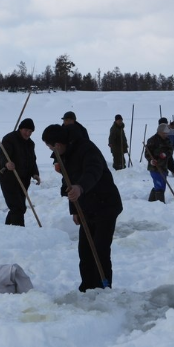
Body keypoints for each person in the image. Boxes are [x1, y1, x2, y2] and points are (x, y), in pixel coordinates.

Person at [42, 124, 122, 292]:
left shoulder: (87, 149)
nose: (50, 150)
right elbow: (68, 182)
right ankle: (87, 287)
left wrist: (80, 187)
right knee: (85, 251)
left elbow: (93, 171)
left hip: (105, 204)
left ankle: (103, 287)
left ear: (57, 144)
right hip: (85, 206)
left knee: (100, 249)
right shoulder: (63, 155)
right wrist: (75, 209)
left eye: (50, 146)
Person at [0, 118, 40, 226]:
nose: (28, 133)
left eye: (30, 132)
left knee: (19, 207)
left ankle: (7, 229)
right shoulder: (9, 139)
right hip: (9, 178)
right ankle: (20, 232)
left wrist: (35, 173)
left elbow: (32, 160)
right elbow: (3, 155)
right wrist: (7, 163)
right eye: (26, 130)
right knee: (17, 207)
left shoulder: (30, 144)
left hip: (24, 179)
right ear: (20, 128)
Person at [145, 123, 173, 202]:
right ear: (159, 132)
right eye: (164, 133)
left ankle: (151, 202)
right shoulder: (152, 140)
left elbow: (170, 150)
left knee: (162, 186)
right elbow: (147, 153)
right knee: (159, 186)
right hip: (154, 167)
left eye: (167, 133)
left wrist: (166, 154)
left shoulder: (167, 140)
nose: (166, 135)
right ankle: (160, 204)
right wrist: (151, 160)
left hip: (163, 167)